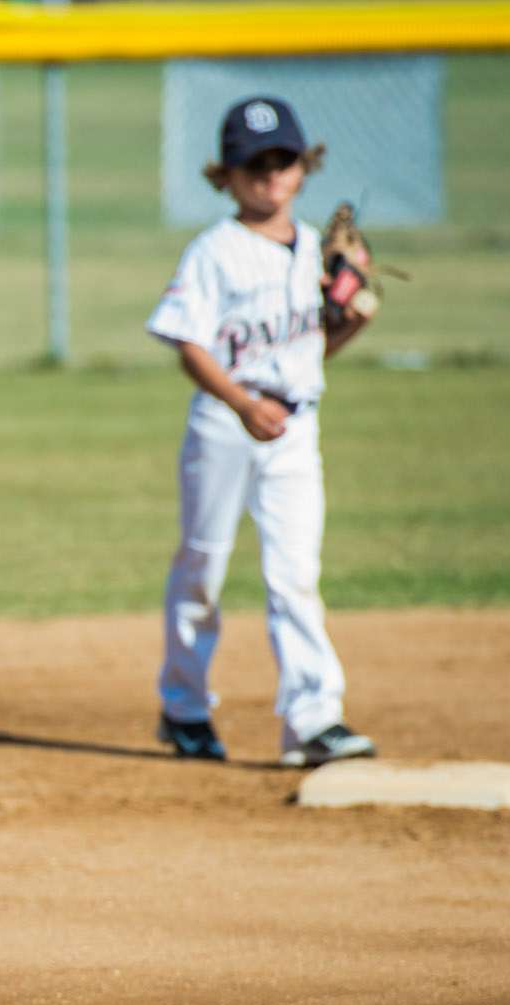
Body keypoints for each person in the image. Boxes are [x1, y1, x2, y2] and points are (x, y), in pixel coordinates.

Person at [144, 97, 376, 770]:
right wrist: (242, 403)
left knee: (295, 572)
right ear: (228, 175)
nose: (270, 177)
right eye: (255, 165)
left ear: (303, 169)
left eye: (283, 163)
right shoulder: (214, 252)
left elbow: (312, 350)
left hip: (297, 429)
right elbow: (188, 343)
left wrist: (355, 313)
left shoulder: (313, 252)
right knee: (203, 567)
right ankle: (184, 708)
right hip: (225, 424)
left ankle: (313, 719)